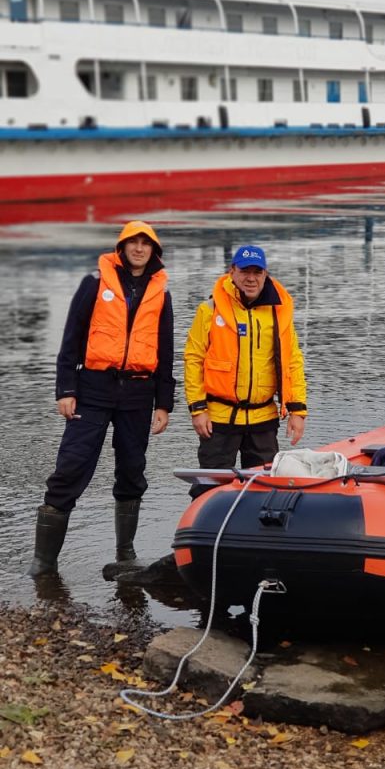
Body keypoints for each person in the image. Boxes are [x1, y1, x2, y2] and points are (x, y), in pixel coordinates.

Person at [28, 220, 175, 577]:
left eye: (146, 244)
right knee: (70, 468)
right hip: (92, 389)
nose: (139, 249)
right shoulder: (94, 284)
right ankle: (43, 563)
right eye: (133, 242)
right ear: (121, 247)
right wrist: (65, 390)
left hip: (138, 394)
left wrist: (163, 403)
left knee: (132, 470)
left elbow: (166, 351)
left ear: (153, 251)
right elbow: (71, 340)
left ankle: (125, 554)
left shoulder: (162, 293)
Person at [184, 244, 307, 469]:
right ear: (232, 272)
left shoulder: (278, 313)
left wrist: (298, 411)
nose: (251, 278)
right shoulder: (209, 309)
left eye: (257, 272)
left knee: (264, 491)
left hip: (263, 420)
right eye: (245, 272)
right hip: (219, 420)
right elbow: (193, 360)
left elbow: (293, 362)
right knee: (209, 487)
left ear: (265, 274)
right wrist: (198, 410)